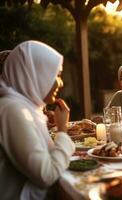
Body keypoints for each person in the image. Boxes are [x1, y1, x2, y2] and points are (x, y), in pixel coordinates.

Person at [0, 40, 75, 199]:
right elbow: (47, 175)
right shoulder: (12, 109)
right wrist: (63, 130)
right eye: (57, 75)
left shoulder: (25, 107)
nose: (60, 83)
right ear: (34, 73)